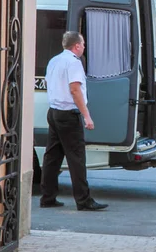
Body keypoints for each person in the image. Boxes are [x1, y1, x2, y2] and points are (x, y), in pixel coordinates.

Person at [40, 31, 108, 211]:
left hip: (54, 111)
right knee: (76, 158)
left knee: (52, 156)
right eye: (83, 44)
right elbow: (75, 90)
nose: (84, 47)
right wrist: (86, 116)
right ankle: (83, 200)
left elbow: (49, 83)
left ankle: (47, 196)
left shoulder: (54, 60)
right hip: (68, 114)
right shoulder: (73, 63)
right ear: (76, 46)